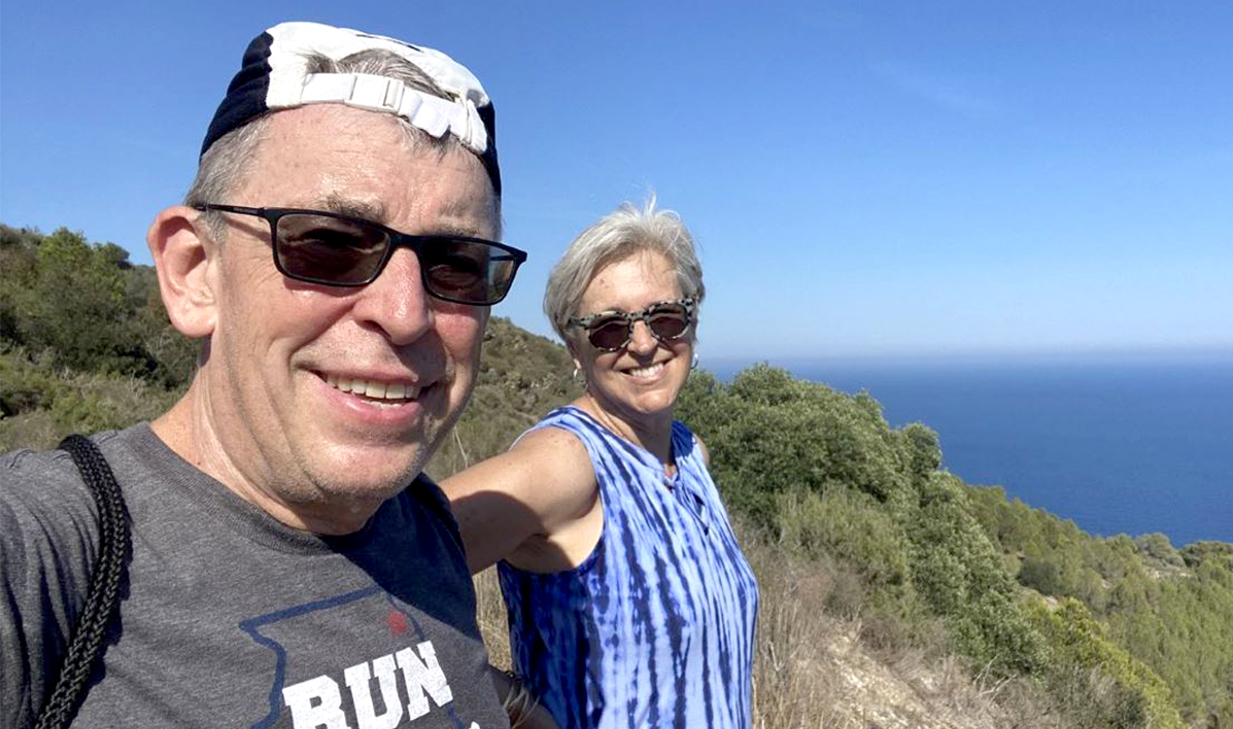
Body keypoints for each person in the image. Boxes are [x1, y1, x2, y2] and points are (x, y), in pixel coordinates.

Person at [1, 22, 533, 728]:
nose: (406, 315)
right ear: (196, 273)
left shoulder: (422, 518)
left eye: (456, 263)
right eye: (329, 244)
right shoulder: (47, 553)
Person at [443, 200, 760, 728]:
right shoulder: (566, 463)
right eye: (610, 328)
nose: (642, 344)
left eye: (664, 317)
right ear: (575, 346)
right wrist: (515, 707)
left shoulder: (690, 453)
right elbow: (383, 574)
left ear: (692, 321)